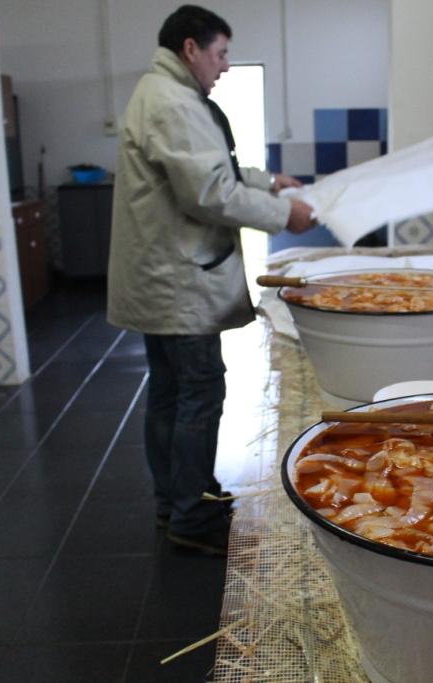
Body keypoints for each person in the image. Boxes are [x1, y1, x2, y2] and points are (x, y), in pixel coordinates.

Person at [107, 4, 316, 555]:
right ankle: (192, 516)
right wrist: (285, 214)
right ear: (190, 49)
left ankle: (171, 500)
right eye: (220, 53)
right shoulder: (173, 101)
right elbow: (208, 194)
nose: (224, 65)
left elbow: (211, 168)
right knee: (198, 392)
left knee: (171, 393)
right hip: (177, 281)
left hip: (163, 274)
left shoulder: (162, 94)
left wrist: (269, 182)